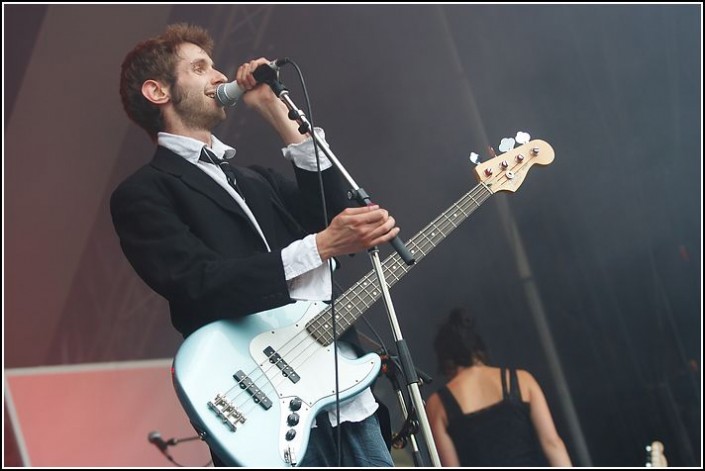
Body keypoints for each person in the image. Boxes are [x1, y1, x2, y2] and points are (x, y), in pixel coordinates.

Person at [111, 23, 398, 467]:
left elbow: (331, 218)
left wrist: (278, 115)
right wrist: (318, 247)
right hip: (260, 406)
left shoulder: (254, 179)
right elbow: (197, 282)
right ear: (157, 91)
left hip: (340, 391)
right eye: (200, 68)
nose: (218, 77)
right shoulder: (145, 193)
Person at [426, 308, 572, 467]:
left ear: (445, 361)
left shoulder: (437, 404)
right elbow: (552, 444)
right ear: (478, 349)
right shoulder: (522, 380)